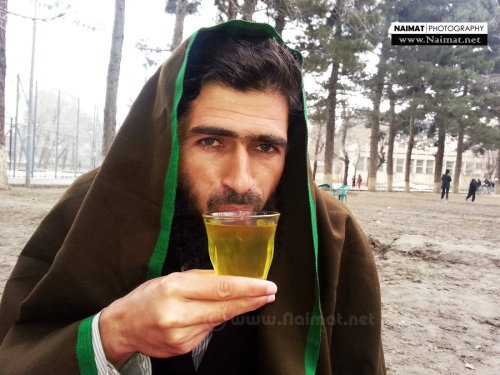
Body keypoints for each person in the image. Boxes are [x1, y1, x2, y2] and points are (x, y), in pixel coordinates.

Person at [0, 21, 385, 375]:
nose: (240, 181)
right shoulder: (91, 207)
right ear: (169, 140)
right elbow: (17, 348)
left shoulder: (331, 233)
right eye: (212, 141)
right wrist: (114, 335)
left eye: (266, 147)